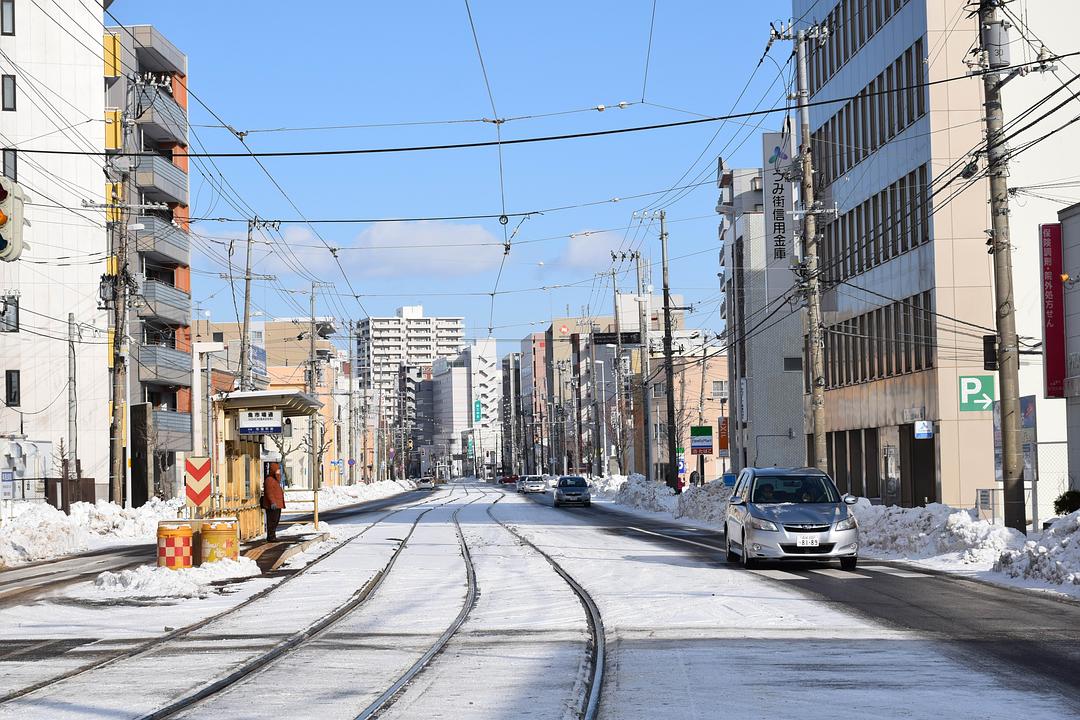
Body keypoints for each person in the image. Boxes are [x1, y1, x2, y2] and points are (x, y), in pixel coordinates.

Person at [262, 462, 285, 542]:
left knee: (275, 520)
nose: (279, 472)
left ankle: (272, 536)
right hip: (273, 505)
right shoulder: (269, 480)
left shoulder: (276, 480)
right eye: (277, 470)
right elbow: (269, 492)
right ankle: (271, 536)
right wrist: (272, 502)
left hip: (277, 504)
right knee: (272, 521)